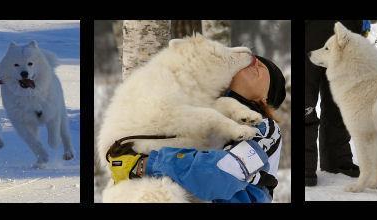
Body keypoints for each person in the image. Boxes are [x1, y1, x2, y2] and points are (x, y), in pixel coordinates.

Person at [107, 55, 285, 203]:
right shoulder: (198, 109)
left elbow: (221, 173)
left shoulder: (265, 128)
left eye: (262, 69)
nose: (254, 63)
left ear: (265, 98)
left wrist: (145, 164)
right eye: (253, 60)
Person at [303, 20, 362, 187]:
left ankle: (336, 159)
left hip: (346, 28)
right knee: (306, 101)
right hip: (309, 29)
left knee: (339, 101)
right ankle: (305, 165)